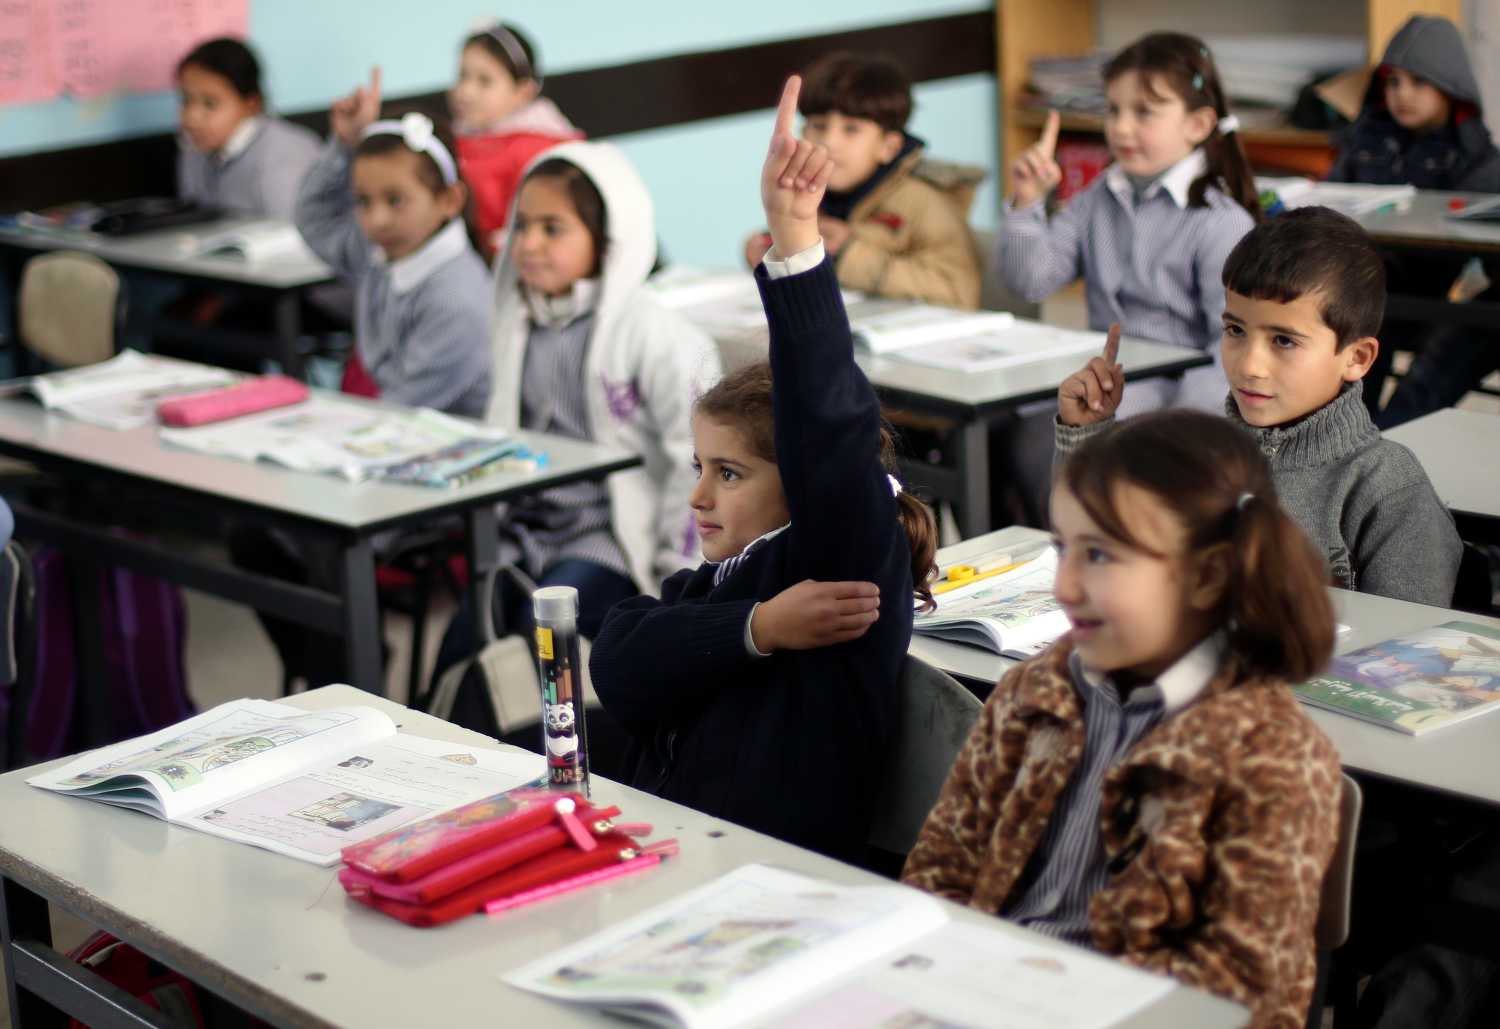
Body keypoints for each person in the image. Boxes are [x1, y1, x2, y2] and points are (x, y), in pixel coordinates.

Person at [591, 77, 939, 861]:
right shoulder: (715, 585)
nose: (699, 495)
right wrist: (759, 627)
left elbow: (829, 423)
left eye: (731, 474)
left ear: (804, 483)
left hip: (774, 885)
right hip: (675, 860)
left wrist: (796, 247)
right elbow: (617, 661)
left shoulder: (841, 559)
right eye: (699, 467)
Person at [904, 407, 1343, 1029]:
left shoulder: (1271, 755)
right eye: (1063, 549)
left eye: (1101, 556)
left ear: (1207, 576)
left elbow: (1238, 998)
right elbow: (942, 868)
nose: (1065, 584)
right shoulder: (1037, 689)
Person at [1054, 206, 1461, 607]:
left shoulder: (1386, 488)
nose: (1249, 365)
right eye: (1235, 330)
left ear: (1356, 358)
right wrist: (1086, 432)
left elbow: (1406, 650)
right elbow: (1100, 548)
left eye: (1283, 340)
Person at [428, 140, 721, 682]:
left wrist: (677, 580)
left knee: (537, 650)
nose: (529, 244)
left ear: (608, 241)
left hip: (609, 535)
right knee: (463, 654)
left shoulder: (658, 335)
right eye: (522, 226)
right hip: (526, 531)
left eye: (553, 229)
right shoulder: (516, 319)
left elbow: (694, 463)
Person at [1327, 14, 1500, 427]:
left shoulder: (1476, 156)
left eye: (1419, 83)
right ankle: (1353, 433)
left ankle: (1394, 434)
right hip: (1368, 294)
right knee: (1361, 302)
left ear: (1451, 89)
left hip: (1434, 302)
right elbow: (1330, 200)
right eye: (1393, 82)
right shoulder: (1367, 141)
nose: (1402, 95)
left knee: (1462, 336)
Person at [295, 68, 490, 414]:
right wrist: (344, 146)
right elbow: (314, 217)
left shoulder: (456, 300)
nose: (376, 219)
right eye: (363, 201)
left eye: (395, 200)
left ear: (449, 200)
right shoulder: (383, 251)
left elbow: (403, 410)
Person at [742, 53, 982, 309]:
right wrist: (775, 256)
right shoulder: (809, 193)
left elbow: (960, 293)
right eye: (819, 125)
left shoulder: (926, 202)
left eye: (851, 129)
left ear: (889, 147)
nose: (829, 142)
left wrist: (846, 252)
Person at [448, 22, 583, 258]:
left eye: (484, 81)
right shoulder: (456, 138)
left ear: (523, 92)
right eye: (463, 76)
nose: (466, 91)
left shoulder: (538, 148)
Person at [176, 37, 320, 221]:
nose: (191, 118)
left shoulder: (286, 154)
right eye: (185, 101)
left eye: (210, 104)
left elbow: (293, 236)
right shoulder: (193, 148)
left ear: (251, 104)